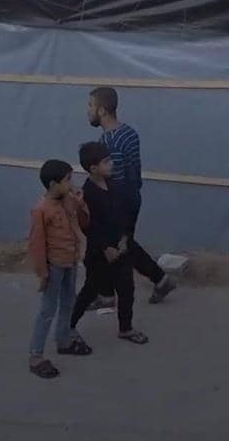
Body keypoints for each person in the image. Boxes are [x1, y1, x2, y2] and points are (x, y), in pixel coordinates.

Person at [87, 87, 176, 305]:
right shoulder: (129, 132)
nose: (87, 111)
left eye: (90, 106)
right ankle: (159, 280)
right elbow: (134, 171)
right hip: (133, 196)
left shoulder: (109, 143)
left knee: (110, 246)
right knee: (124, 246)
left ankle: (109, 296)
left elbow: (114, 181)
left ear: (102, 111)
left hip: (119, 203)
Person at [71, 142, 148, 347]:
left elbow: (124, 216)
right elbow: (89, 227)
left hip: (121, 250)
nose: (111, 164)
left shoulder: (114, 185)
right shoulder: (87, 194)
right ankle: (68, 326)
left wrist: (124, 239)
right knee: (89, 292)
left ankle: (126, 328)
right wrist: (106, 247)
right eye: (106, 161)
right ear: (93, 168)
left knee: (127, 290)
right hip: (100, 255)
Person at [27, 160, 91, 379]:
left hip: (70, 263)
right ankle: (36, 356)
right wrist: (43, 274)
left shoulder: (69, 201)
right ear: (54, 184)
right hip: (53, 268)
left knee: (68, 303)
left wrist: (81, 204)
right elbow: (36, 244)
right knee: (47, 311)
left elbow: (82, 224)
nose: (72, 183)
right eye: (68, 180)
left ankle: (63, 341)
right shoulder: (41, 210)